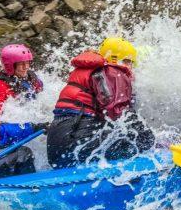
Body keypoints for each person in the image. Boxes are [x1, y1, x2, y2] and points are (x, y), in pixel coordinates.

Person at [47, 37, 155, 169]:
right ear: (117, 60)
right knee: (136, 140)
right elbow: (121, 114)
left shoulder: (90, 72)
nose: (130, 67)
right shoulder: (114, 73)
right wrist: (150, 139)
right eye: (128, 62)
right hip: (75, 146)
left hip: (56, 150)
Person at [0, 44, 43, 116]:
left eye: (27, 62)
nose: (26, 67)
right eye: (21, 64)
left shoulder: (31, 77)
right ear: (10, 65)